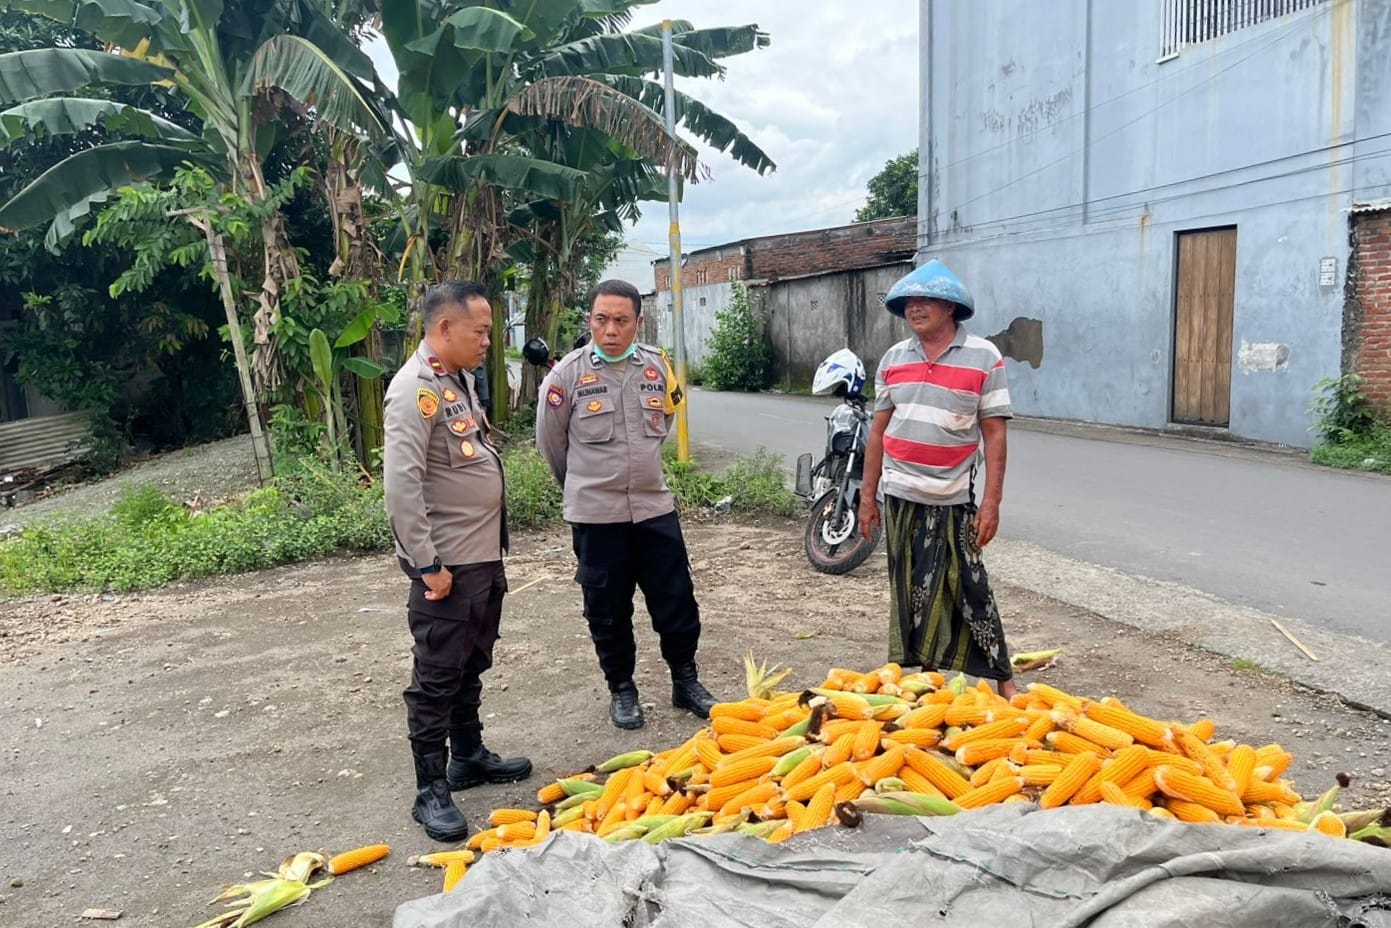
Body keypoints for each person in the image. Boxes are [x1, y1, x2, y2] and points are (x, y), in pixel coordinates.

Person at [383, 280, 531, 843]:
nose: (488, 341)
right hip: (447, 565)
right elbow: (402, 487)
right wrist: (427, 565)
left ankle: (468, 754)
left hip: (481, 556)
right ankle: (430, 789)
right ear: (445, 328)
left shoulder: (457, 379)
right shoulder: (414, 389)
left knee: (471, 661)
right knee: (437, 676)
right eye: (481, 331)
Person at [535, 279, 719, 729]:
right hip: (597, 517)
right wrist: (583, 486)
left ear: (639, 322)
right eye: (601, 319)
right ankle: (622, 689)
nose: (610, 330)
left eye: (621, 320)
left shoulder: (657, 367)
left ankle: (685, 680)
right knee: (608, 609)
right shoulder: (566, 376)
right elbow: (551, 445)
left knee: (676, 599)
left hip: (654, 509)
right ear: (590, 321)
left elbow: (667, 417)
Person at [858, 260, 1018, 700]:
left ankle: (1003, 678)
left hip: (953, 495)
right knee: (912, 591)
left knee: (970, 587)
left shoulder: (984, 357)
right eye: (909, 301)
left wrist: (992, 502)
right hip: (900, 494)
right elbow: (878, 432)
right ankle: (927, 680)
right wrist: (867, 498)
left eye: (926, 300)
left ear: (950, 307)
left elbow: (995, 433)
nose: (915, 307)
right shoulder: (894, 358)